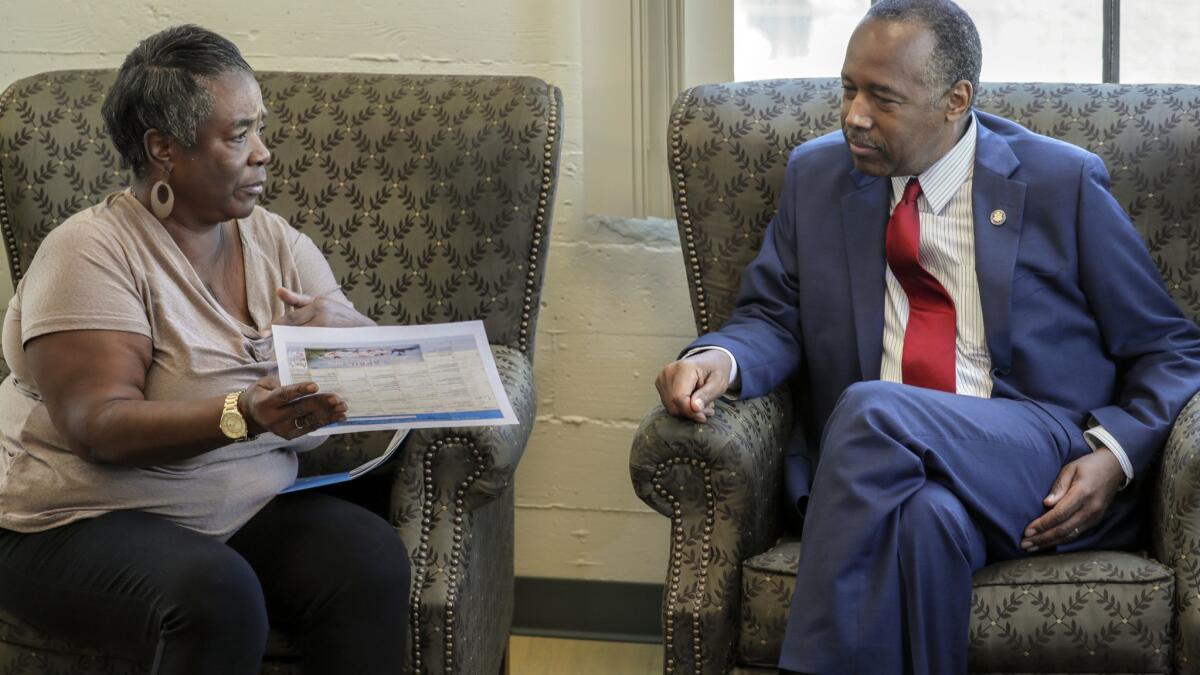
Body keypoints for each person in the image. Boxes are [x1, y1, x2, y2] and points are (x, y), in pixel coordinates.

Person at [654, 1, 1200, 673]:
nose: (854, 114)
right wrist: (719, 358)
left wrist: (1115, 453)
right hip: (886, 471)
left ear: (955, 101)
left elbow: (1170, 346)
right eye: (848, 88)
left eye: (882, 98)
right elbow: (771, 315)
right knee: (926, 522)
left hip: (1032, 450)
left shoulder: (1061, 183)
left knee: (868, 406)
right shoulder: (816, 176)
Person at [0, 25, 409, 675]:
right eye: (238, 134)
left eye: (260, 128)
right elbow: (96, 427)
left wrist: (355, 334)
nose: (263, 153)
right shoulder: (89, 254)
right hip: (70, 519)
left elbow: (355, 387)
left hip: (230, 503)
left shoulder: (276, 242)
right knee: (218, 596)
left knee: (368, 557)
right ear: (164, 148)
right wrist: (243, 413)